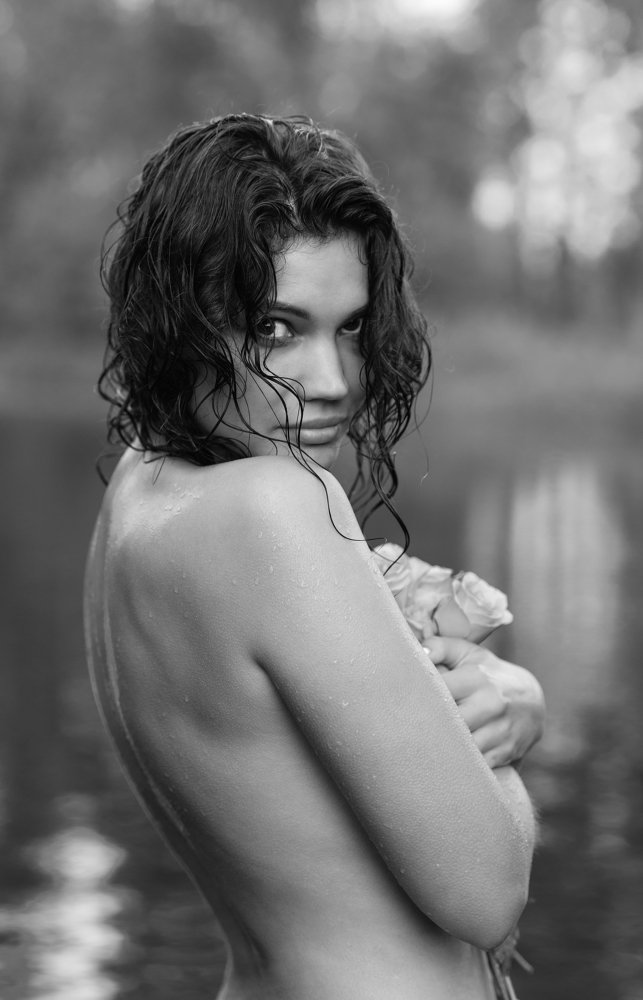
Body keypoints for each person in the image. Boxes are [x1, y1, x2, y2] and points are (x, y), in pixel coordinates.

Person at [84, 113, 544, 1000]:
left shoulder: (137, 496)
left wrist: (492, 696)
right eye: (276, 328)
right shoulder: (275, 507)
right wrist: (508, 734)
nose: (331, 382)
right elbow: (488, 895)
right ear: (184, 320)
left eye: (349, 328)